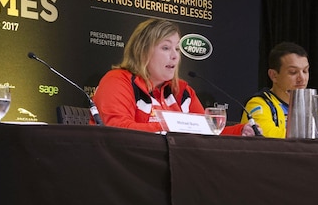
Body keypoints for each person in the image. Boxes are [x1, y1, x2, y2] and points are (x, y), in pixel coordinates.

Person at [93, 18, 253, 135]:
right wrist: (172, 127)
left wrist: (240, 131)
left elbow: (206, 132)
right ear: (142, 51)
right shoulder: (117, 81)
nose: (175, 56)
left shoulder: (182, 92)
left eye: (177, 49)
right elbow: (115, 129)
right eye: (166, 48)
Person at [241, 42, 318, 140]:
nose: (302, 78)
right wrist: (312, 137)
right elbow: (265, 135)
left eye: (305, 71)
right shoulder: (258, 104)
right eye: (293, 72)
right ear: (274, 75)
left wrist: (311, 137)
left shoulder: (307, 107)